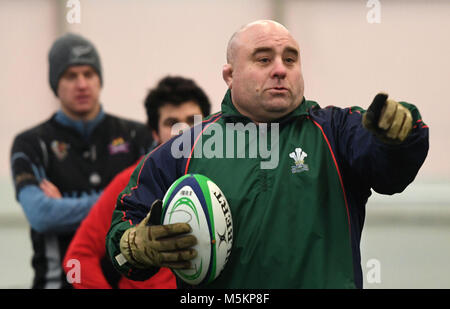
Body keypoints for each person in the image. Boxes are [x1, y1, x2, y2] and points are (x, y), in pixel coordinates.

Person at [105, 20, 429, 288]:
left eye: (290, 59)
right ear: (230, 75)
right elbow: (122, 234)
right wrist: (134, 245)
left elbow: (390, 171)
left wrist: (402, 135)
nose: (280, 69)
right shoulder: (182, 149)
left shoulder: (337, 131)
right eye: (263, 59)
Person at [10, 33, 153, 289]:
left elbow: (154, 206)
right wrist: (123, 203)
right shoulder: (30, 143)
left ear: (100, 79)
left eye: (89, 73)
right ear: (55, 83)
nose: (82, 84)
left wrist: (65, 205)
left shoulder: (137, 136)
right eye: (70, 76)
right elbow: (42, 215)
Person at [62, 76, 211, 289]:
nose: (183, 131)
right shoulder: (131, 182)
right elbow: (76, 259)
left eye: (192, 121)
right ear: (154, 132)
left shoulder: (226, 178)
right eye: (171, 123)